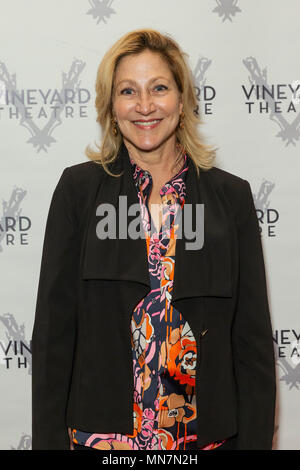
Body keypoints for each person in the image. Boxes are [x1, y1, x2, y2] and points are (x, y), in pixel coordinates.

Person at [31, 29, 276, 451]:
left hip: (202, 442)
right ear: (111, 106)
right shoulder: (78, 192)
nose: (145, 106)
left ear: (182, 101)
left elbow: (251, 345)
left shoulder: (231, 198)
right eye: (128, 91)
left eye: (159, 88)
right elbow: (54, 338)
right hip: (105, 441)